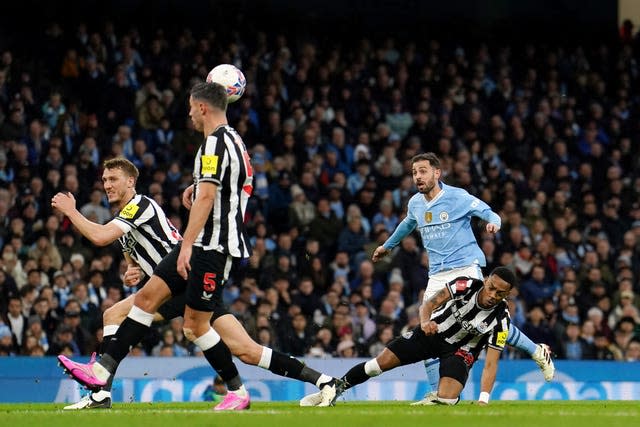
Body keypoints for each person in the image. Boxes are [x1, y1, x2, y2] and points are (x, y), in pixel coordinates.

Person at [55, 82, 339, 411]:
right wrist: (196, 189)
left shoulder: (210, 146)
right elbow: (232, 185)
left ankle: (102, 383)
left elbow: (206, 197)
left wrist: (187, 240)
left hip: (208, 248)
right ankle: (322, 380)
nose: (189, 113)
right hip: (202, 252)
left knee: (142, 313)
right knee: (241, 347)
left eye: (191, 107)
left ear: (202, 107)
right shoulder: (232, 141)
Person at [371, 153, 554, 403]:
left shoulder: (458, 197)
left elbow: (490, 213)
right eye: (414, 172)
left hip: (466, 267)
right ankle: (438, 395)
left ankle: (537, 352)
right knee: (428, 332)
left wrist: (493, 224)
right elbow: (407, 224)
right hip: (437, 274)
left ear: (437, 173)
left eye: (423, 171)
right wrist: (388, 246)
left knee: (488, 321)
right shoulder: (415, 203)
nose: (418, 177)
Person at [301, 266, 518, 406]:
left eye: (500, 294)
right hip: (432, 333)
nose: (492, 295)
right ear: (487, 279)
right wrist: (425, 321)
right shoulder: (465, 285)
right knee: (379, 364)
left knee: (447, 398)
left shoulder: (501, 319)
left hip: (461, 352)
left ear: (507, 295)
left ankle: (441, 397)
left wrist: (483, 400)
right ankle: (334, 389)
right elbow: (430, 304)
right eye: (491, 288)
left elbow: (491, 364)